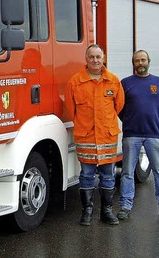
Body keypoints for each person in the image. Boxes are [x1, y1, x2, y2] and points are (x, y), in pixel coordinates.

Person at [65, 44, 125, 226]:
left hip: (107, 137)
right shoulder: (75, 82)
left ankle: (106, 211)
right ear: (86, 58)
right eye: (91, 57)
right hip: (86, 138)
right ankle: (87, 212)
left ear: (103, 58)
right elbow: (70, 109)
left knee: (108, 174)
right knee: (86, 175)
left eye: (98, 57)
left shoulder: (113, 81)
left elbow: (119, 105)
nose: (95, 60)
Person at [117, 50, 159, 221]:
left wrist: (155, 121)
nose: (140, 63)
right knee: (127, 172)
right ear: (133, 63)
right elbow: (120, 108)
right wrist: (129, 121)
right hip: (132, 135)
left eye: (143, 60)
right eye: (137, 61)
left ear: (149, 61)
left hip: (154, 135)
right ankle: (125, 206)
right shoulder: (125, 83)